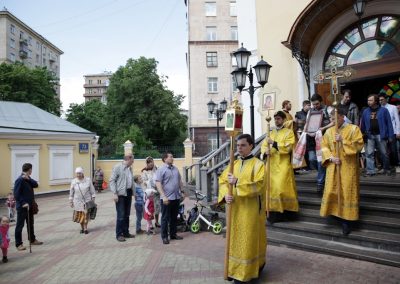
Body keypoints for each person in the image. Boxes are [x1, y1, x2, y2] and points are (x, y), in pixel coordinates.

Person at [219, 134, 266, 283]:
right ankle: (234, 270)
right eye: (238, 146)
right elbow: (223, 181)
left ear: (251, 145)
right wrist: (226, 194)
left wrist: (238, 181)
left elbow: (260, 185)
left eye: (243, 145)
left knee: (248, 240)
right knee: (234, 240)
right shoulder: (233, 164)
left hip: (250, 211)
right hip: (234, 210)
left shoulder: (258, 165)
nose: (239, 148)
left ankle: (247, 272)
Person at [320, 107, 364, 235]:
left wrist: (343, 141)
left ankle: (347, 221)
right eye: (330, 118)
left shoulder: (353, 129)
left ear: (341, 117)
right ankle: (336, 214)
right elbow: (324, 147)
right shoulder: (328, 132)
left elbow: (359, 145)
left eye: (334, 118)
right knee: (332, 191)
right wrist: (331, 158)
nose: (331, 120)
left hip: (348, 167)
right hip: (333, 166)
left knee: (347, 191)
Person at [261, 111, 299, 223]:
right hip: (271, 165)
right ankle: (272, 214)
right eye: (275, 119)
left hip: (283, 165)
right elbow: (263, 146)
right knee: (270, 189)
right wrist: (265, 152)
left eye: (278, 119)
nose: (276, 121)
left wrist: (273, 143)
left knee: (281, 188)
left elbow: (288, 148)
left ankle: (286, 213)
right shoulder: (270, 132)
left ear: (283, 120)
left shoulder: (288, 133)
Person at [360, 94, 394, 176]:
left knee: (384, 153)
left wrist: (390, 136)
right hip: (370, 135)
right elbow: (363, 124)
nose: (368, 102)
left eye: (371, 100)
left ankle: (386, 168)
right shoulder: (366, 111)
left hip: (381, 134)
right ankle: (371, 171)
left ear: (376, 101)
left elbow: (389, 123)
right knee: (369, 154)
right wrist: (362, 134)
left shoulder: (384, 110)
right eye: (368, 100)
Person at [155, 151, 184, 245]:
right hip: (166, 199)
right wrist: (163, 196)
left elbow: (179, 180)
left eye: (172, 156)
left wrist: (182, 191)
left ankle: (173, 234)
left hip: (176, 197)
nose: (172, 158)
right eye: (170, 157)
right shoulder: (161, 169)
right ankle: (164, 237)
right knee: (165, 218)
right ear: (165, 159)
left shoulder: (175, 169)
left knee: (174, 217)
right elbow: (158, 183)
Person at [308, 94, 334, 193]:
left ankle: (320, 183)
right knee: (312, 159)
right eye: (313, 104)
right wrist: (308, 131)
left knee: (321, 161)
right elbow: (308, 123)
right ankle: (324, 179)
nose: (315, 106)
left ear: (321, 101)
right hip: (314, 138)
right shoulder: (311, 111)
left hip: (326, 137)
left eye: (317, 104)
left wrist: (323, 128)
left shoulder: (328, 109)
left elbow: (334, 121)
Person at [14, 163, 43, 251]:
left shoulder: (28, 179)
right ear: (29, 169)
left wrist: (29, 179)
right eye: (31, 169)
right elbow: (16, 194)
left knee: (30, 224)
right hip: (23, 207)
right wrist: (23, 203)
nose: (31, 171)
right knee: (20, 225)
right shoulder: (19, 180)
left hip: (30, 207)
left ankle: (32, 240)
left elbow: (36, 185)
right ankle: (18, 244)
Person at [109, 154, 136, 242]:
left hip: (128, 192)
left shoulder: (130, 168)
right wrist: (114, 193)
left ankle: (126, 232)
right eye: (132, 160)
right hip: (120, 194)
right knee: (121, 215)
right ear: (128, 159)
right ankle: (119, 234)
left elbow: (131, 181)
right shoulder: (117, 167)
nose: (133, 161)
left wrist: (134, 193)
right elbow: (112, 180)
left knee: (127, 214)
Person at [69, 167, 96, 234]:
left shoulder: (88, 180)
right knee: (80, 216)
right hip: (77, 201)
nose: (78, 175)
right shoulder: (74, 181)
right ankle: (82, 228)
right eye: (77, 173)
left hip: (87, 201)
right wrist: (71, 201)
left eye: (80, 173)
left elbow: (92, 190)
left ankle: (85, 228)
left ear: (82, 173)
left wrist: (93, 199)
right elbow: (71, 192)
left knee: (86, 215)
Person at [378, 93, 400, 175]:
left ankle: (395, 165)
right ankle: (386, 166)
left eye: (382, 99)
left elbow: (397, 120)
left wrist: (398, 132)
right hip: (383, 133)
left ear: (386, 99)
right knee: (384, 151)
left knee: (393, 150)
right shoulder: (379, 109)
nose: (380, 101)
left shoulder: (393, 107)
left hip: (392, 131)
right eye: (379, 100)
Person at [141, 156, 160, 227]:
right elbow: (143, 181)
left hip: (157, 191)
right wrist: (148, 182)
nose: (151, 164)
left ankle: (157, 222)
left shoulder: (157, 168)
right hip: (150, 193)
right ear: (147, 164)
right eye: (149, 163)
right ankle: (150, 223)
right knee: (150, 208)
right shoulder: (144, 171)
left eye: (152, 162)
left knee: (157, 207)